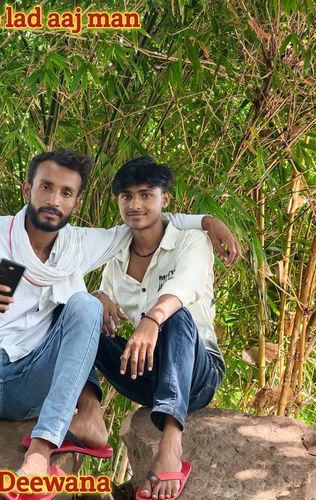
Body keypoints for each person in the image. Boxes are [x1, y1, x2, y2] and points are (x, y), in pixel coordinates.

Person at [0, 150, 239, 500]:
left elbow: (153, 224)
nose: (54, 200)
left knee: (89, 305)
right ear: (27, 189)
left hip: (37, 385)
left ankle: (42, 453)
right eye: (46, 187)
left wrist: (206, 221)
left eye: (66, 193)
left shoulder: (80, 244)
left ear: (76, 203)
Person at [92, 157, 231, 500]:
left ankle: (170, 444)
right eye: (126, 196)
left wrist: (152, 319)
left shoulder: (192, 240)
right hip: (146, 376)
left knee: (173, 313)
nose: (135, 204)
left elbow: (184, 288)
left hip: (197, 373)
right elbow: (103, 303)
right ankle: (87, 412)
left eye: (145, 194)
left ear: (164, 198)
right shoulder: (115, 256)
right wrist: (98, 298)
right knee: (79, 314)